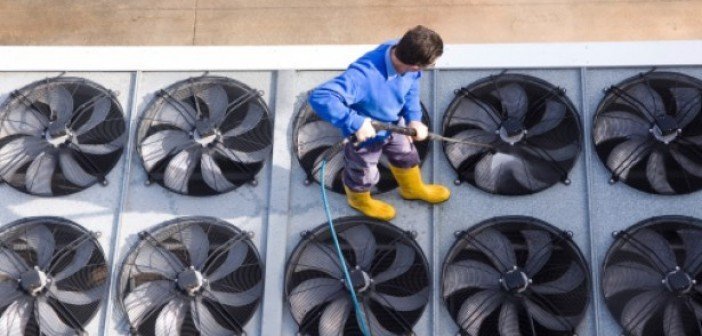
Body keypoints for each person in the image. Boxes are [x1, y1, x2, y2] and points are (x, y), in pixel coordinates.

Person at [308, 25, 451, 221]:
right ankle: (359, 200)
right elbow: (320, 96)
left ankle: (412, 189)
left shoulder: (399, 50)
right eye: (430, 65)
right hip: (366, 135)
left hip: (395, 124)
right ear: (416, 65)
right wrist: (355, 122)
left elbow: (411, 89)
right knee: (363, 172)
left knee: (406, 155)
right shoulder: (363, 77)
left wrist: (414, 119)